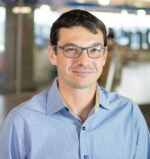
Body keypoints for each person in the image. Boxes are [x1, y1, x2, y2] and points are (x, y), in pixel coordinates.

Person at [0, 9, 149, 159]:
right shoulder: (21, 123)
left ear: (104, 56)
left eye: (94, 50)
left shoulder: (129, 115)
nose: (84, 61)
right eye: (71, 49)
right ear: (53, 54)